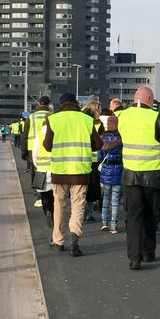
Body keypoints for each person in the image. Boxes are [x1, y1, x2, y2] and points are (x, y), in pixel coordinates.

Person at [116, 86, 160, 271]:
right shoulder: (157, 118)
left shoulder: (123, 117)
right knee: (152, 216)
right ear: (150, 99)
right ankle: (148, 251)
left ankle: (134, 258)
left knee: (134, 217)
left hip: (131, 176)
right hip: (155, 176)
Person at [42, 92, 100, 257]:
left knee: (59, 205)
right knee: (78, 206)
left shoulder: (54, 119)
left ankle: (58, 241)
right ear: (75, 102)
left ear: (61, 104)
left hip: (60, 172)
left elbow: (47, 145)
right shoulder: (86, 120)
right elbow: (98, 144)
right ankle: (74, 243)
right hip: (80, 172)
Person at [98, 114, 123, 234]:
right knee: (115, 200)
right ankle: (114, 225)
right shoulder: (122, 139)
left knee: (106, 197)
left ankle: (104, 222)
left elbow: (99, 157)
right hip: (118, 170)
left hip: (106, 170)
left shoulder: (103, 139)